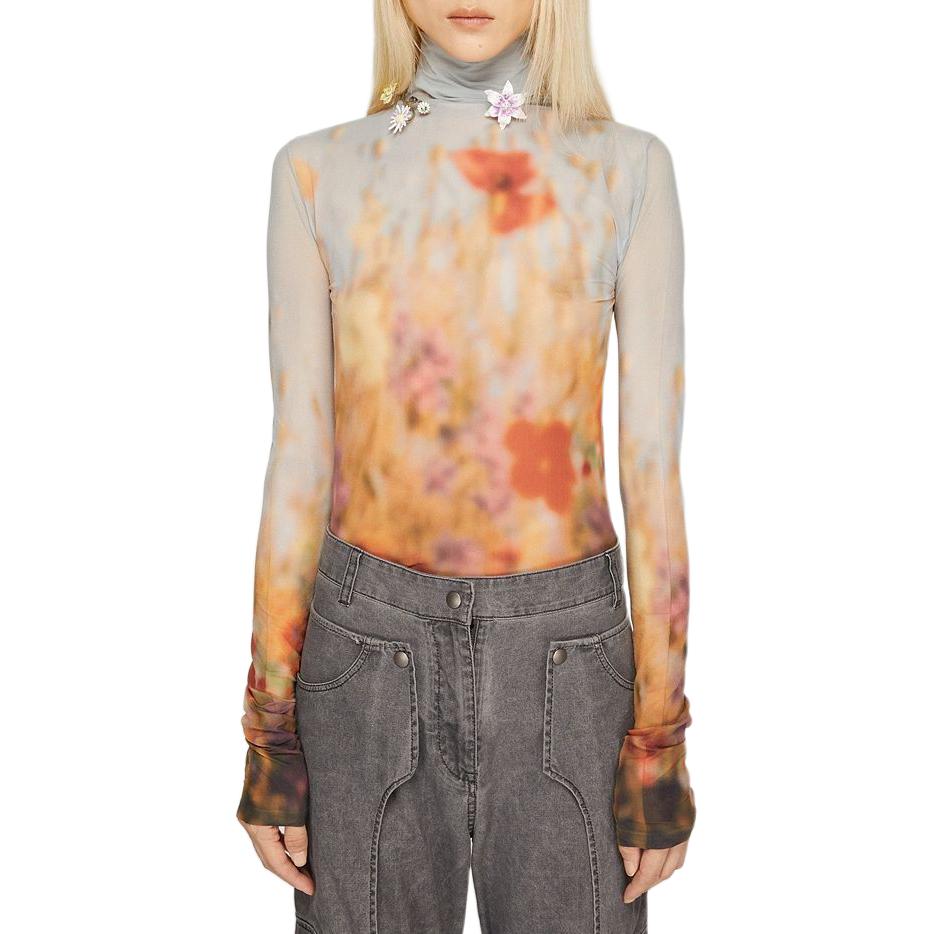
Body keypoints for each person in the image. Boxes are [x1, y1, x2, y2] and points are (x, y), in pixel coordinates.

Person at [237, 1, 696, 930]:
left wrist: (659, 737)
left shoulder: (627, 168)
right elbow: (299, 459)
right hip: (365, 653)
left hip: (568, 660)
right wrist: (269, 729)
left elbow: (651, 470)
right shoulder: (315, 171)